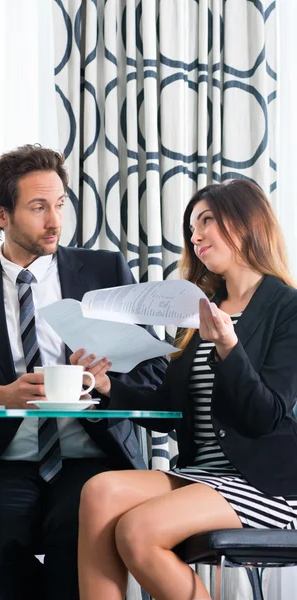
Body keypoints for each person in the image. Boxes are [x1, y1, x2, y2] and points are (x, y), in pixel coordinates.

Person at [0, 144, 167, 600]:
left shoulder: (104, 270)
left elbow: (155, 368)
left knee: (77, 542)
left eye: (59, 204)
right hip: (0, 463)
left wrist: (105, 383)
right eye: (39, 208)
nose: (55, 220)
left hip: (91, 460)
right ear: (2, 215)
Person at [71, 180, 297, 600]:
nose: (195, 237)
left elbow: (266, 415)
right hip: (204, 475)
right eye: (192, 227)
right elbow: (168, 405)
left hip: (268, 484)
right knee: (99, 492)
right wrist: (106, 386)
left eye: (207, 220)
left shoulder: (288, 309)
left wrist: (229, 347)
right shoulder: (198, 311)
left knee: (137, 530)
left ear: (247, 222)